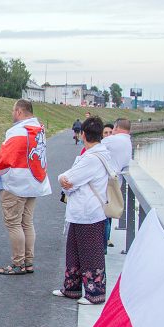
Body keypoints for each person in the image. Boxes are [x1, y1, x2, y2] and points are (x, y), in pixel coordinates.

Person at [52, 116, 115, 305]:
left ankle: (94, 293)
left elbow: (70, 180)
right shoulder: (100, 153)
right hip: (84, 212)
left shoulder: (92, 158)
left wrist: (60, 177)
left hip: (88, 212)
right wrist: (65, 180)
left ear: (84, 134)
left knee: (91, 254)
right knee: (74, 251)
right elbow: (71, 181)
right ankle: (71, 287)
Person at [0, 99, 51, 275]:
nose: (12, 114)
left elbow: (5, 156)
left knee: (13, 223)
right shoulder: (39, 129)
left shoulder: (17, 131)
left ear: (19, 112)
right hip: (34, 182)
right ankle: (28, 261)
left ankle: (18, 263)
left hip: (16, 184)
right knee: (27, 223)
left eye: (13, 110)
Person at [101, 118, 132, 249]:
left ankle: (102, 246)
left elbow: (94, 147)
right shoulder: (128, 142)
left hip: (106, 182)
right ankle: (105, 243)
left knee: (103, 215)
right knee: (108, 214)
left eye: (113, 129)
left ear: (117, 128)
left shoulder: (113, 140)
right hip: (117, 182)